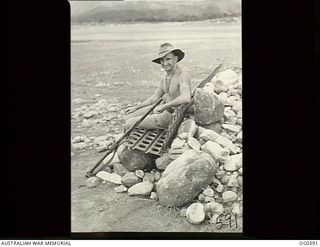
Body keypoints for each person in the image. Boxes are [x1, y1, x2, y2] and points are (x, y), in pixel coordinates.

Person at [124, 43, 191, 130]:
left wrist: (164, 106)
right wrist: (136, 107)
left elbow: (186, 97)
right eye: (162, 60)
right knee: (126, 117)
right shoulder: (164, 75)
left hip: (170, 117)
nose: (165, 63)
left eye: (168, 59)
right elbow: (155, 97)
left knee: (129, 123)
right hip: (162, 110)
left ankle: (127, 142)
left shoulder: (182, 75)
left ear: (175, 59)